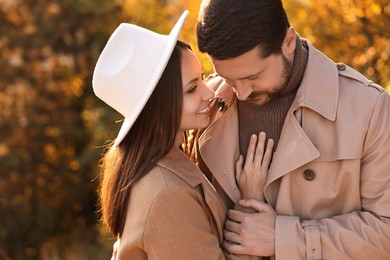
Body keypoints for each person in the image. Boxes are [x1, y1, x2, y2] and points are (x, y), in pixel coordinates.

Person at [196, 0, 390, 259]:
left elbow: (385, 231)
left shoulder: (368, 108)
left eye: (252, 77)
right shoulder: (204, 104)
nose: (241, 93)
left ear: (288, 41)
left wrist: (286, 239)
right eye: (228, 78)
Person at [92, 10, 273, 259]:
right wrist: (250, 201)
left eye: (202, 78)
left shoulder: (160, 162)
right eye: (191, 89)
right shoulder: (167, 196)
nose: (208, 93)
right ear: (158, 106)